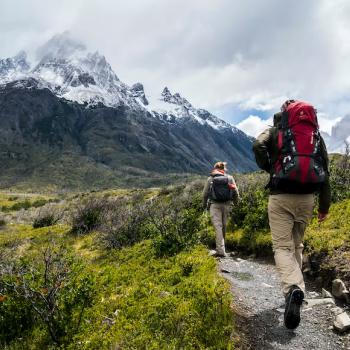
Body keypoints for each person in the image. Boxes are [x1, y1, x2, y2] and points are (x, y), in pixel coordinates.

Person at [253, 99, 331, 330]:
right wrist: (324, 207)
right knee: (297, 246)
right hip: (307, 198)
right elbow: (325, 169)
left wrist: (270, 167)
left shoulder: (277, 131)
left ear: (284, 114)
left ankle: (293, 289)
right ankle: (296, 289)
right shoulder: (315, 135)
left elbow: (258, 145)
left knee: (282, 247)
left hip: (280, 196)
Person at [202, 161, 239, 257]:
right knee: (224, 226)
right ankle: (222, 249)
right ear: (224, 169)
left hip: (214, 205)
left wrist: (204, 205)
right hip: (227, 205)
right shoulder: (230, 178)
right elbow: (235, 191)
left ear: (215, 168)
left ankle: (220, 251)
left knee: (218, 227)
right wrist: (236, 203)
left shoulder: (210, 178)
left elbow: (204, 194)